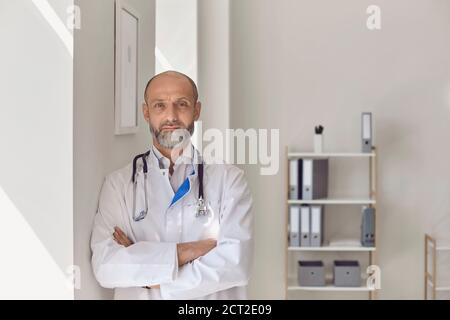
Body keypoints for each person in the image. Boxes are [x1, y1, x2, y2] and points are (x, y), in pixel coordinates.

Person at [90, 71, 253, 300]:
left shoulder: (230, 181)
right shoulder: (119, 185)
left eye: (182, 104)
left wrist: (148, 274)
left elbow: (234, 265)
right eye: (159, 105)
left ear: (196, 110)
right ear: (146, 112)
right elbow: (106, 268)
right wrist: (188, 251)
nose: (171, 116)